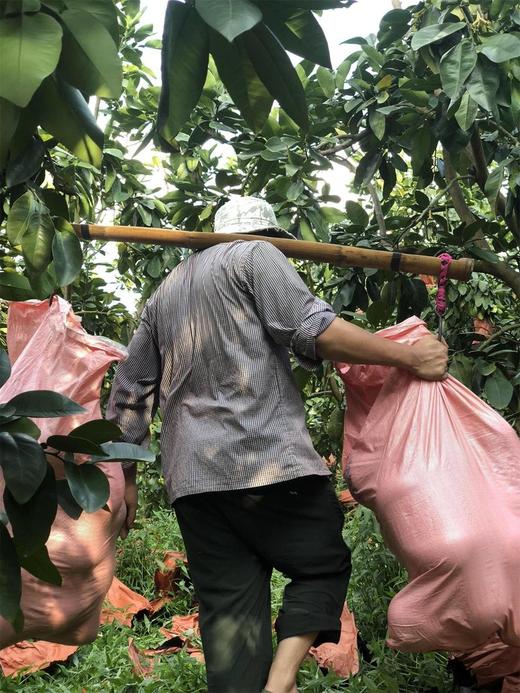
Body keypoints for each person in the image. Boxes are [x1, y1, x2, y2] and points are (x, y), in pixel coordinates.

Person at [107, 196, 448, 693]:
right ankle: (281, 683)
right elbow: (316, 330)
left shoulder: (166, 291)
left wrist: (127, 474)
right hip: (267, 463)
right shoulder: (257, 257)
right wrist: (408, 357)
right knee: (323, 564)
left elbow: (131, 388)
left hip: (194, 483)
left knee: (230, 620)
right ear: (269, 234)